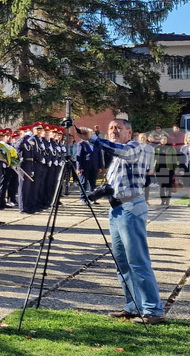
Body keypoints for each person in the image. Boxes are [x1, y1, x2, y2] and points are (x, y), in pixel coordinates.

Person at [69, 120, 166, 324]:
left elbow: (123, 152)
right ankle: (133, 305)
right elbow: (113, 184)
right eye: (111, 127)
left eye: (118, 128)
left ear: (129, 132)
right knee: (122, 263)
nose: (113, 130)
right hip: (116, 209)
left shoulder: (135, 147)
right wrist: (95, 194)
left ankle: (153, 310)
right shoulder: (116, 157)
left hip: (131, 208)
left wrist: (94, 139)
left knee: (137, 261)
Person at [153, 135, 178, 206]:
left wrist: (175, 168)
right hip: (159, 168)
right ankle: (162, 200)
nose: (163, 140)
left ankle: (167, 199)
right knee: (161, 185)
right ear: (160, 140)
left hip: (169, 168)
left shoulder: (171, 147)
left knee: (168, 185)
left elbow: (174, 159)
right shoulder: (157, 148)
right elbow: (154, 158)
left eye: (165, 139)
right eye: (162, 139)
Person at [137, 132, 155, 205]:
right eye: (141, 137)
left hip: (147, 168)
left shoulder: (149, 148)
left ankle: (146, 199)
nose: (142, 139)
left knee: (146, 184)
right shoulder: (136, 147)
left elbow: (152, 159)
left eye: (144, 138)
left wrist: (151, 168)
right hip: (138, 168)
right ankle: (139, 200)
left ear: (146, 139)